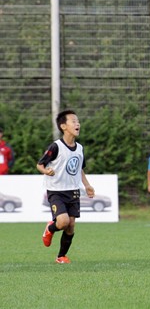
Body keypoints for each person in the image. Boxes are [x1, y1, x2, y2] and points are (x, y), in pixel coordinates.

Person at [37, 110, 95, 264]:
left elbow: (79, 168)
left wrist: (87, 185)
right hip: (56, 191)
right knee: (62, 222)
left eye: (78, 121)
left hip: (73, 191)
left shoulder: (80, 148)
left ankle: (61, 256)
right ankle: (49, 229)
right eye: (73, 121)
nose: (78, 124)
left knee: (71, 226)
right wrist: (45, 170)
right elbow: (40, 164)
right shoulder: (55, 146)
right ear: (63, 126)